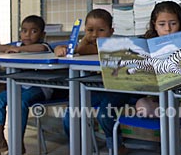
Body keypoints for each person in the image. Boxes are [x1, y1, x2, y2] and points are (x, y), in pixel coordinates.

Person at [135, 1, 181, 153]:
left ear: (180, 24)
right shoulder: (143, 45)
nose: (168, 29)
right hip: (157, 102)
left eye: (173, 23)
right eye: (162, 24)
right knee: (141, 106)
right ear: (154, 25)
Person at [54, 9, 130, 150]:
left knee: (104, 114)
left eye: (101, 30)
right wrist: (59, 49)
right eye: (90, 30)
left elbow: (85, 50)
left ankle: (116, 146)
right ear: (84, 30)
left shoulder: (114, 46)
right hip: (96, 91)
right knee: (71, 113)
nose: (95, 34)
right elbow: (63, 48)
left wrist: (82, 43)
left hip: (117, 89)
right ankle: (77, 147)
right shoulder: (84, 45)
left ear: (111, 31)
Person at [0, 15, 53, 155]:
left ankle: (17, 143)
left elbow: (39, 48)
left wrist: (19, 50)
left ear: (42, 34)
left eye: (34, 31)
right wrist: (10, 47)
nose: (27, 35)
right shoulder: (18, 45)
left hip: (40, 87)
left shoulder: (44, 46)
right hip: (20, 86)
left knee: (19, 102)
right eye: (24, 31)